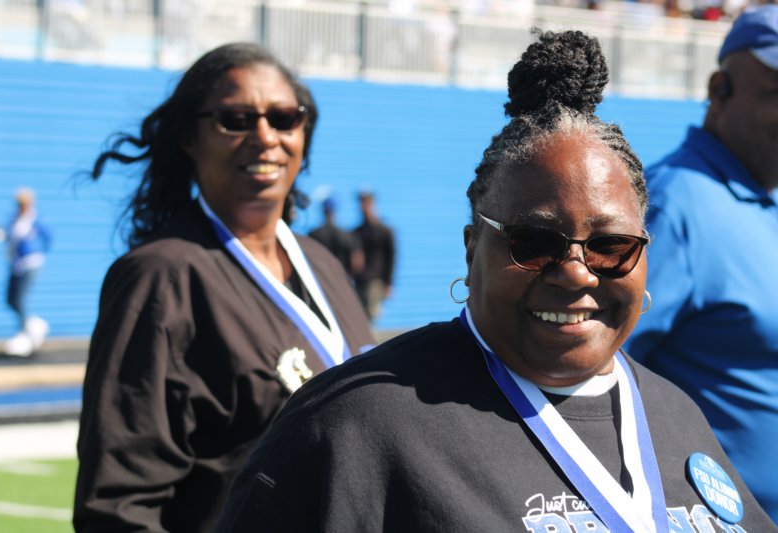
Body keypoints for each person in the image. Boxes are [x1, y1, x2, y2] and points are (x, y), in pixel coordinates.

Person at [214, 31, 776, 532]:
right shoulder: (354, 424)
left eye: (610, 246)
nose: (575, 272)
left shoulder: (675, 414)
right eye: (534, 243)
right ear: (471, 249)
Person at [73, 43, 375, 532]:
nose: (265, 137)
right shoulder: (160, 277)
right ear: (189, 138)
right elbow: (119, 507)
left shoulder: (323, 264)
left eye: (284, 118)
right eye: (235, 120)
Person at [624, 6, 778, 522]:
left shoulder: (760, 197)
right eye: (775, 93)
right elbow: (593, 367)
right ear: (719, 90)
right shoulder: (673, 205)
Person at [0, 187, 52, 357]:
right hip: (16, 264)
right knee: (11, 299)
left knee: (20, 299)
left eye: (24, 203)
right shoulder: (14, 218)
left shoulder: (35, 219)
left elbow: (48, 236)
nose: (21, 206)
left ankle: (26, 335)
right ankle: (34, 324)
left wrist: (37, 252)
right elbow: (9, 237)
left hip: (30, 263)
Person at [352, 189, 396, 321]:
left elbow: (391, 258)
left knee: (371, 316)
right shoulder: (357, 232)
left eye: (366, 203)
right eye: (361, 203)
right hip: (360, 281)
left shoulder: (384, 231)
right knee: (359, 317)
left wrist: (388, 283)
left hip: (376, 281)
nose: (363, 207)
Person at [308, 196, 363, 278]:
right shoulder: (347, 235)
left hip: (321, 278)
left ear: (323, 210)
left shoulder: (314, 235)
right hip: (342, 278)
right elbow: (357, 263)